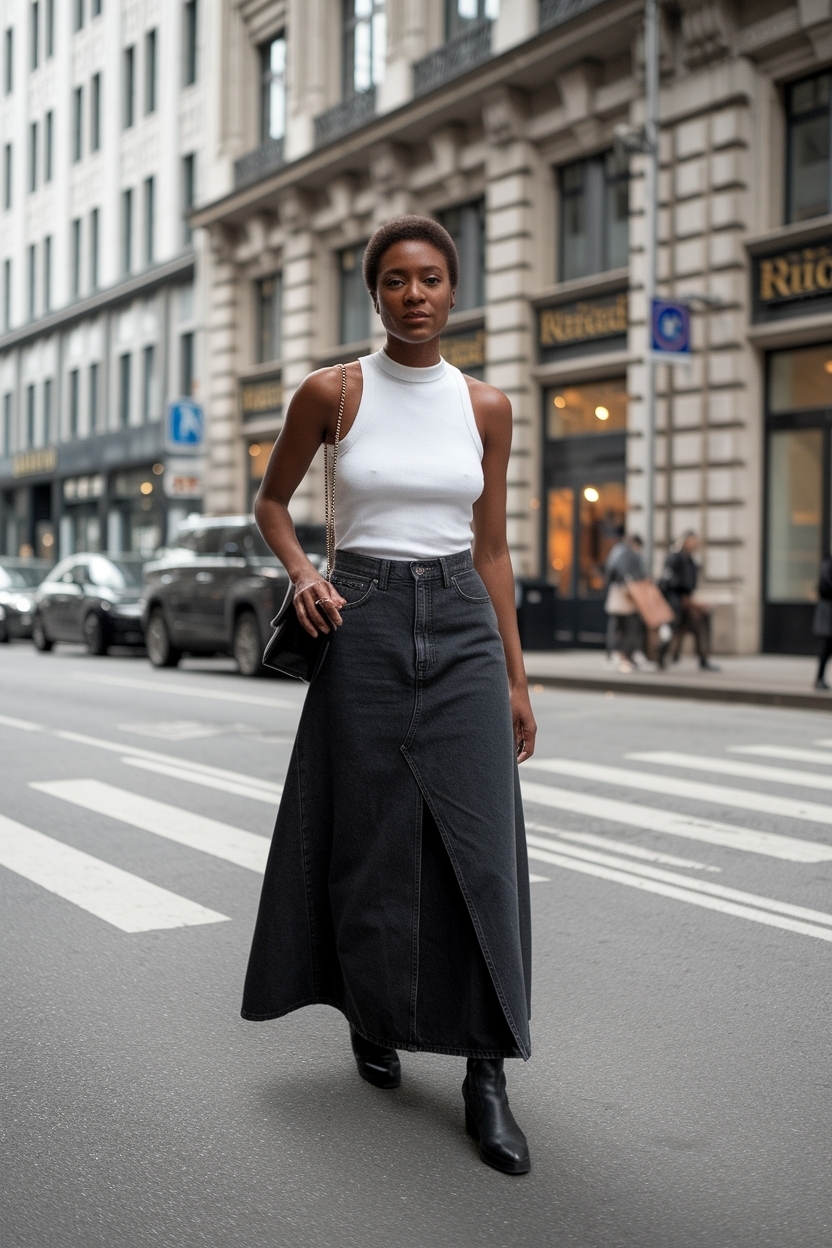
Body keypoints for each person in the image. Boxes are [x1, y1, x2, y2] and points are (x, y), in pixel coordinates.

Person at [243, 215, 536, 1176]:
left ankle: (486, 1076)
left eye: (434, 279)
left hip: (459, 620)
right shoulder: (333, 392)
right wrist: (300, 573)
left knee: (482, 854)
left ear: (456, 291)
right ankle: (372, 1015)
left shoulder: (486, 406)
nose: (416, 295)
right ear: (374, 294)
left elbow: (491, 548)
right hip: (357, 616)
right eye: (398, 281)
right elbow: (271, 502)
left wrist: (516, 677)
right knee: (367, 841)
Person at [658, 532, 719, 671]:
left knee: (699, 626)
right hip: (676, 599)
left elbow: (692, 580)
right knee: (671, 627)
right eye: (691, 542)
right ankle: (661, 656)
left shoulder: (691, 559)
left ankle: (703, 660)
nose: (693, 545)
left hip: (687, 599)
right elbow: (667, 579)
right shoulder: (675, 556)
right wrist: (679, 595)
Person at [604, 533, 647, 672]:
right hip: (625, 594)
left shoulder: (617, 550)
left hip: (618, 593)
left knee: (617, 625)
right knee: (629, 626)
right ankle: (622, 654)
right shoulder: (626, 553)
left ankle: (615, 653)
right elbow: (628, 573)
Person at [813, 554, 832, 690]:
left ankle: (820, 679)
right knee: (827, 648)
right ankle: (819, 679)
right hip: (828, 613)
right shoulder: (828, 565)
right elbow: (825, 587)